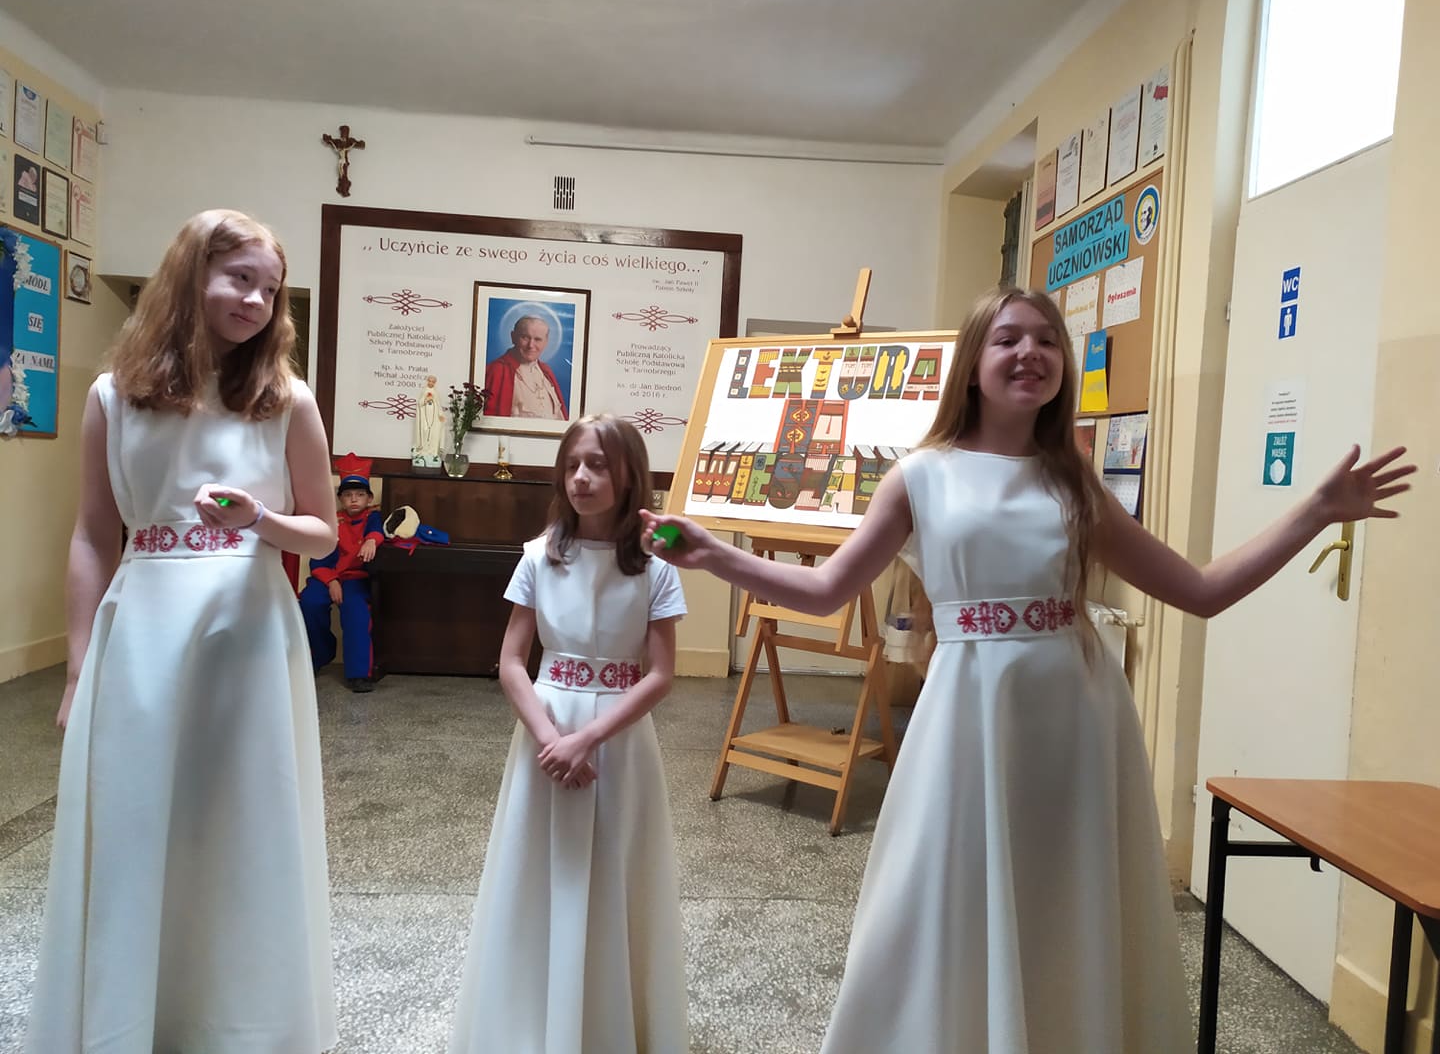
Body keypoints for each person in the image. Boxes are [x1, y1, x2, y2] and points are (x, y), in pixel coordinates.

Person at [642, 286, 1414, 1054]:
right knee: (946, 889)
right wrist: (715, 555)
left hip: (1076, 716)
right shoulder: (921, 475)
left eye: (1046, 340)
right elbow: (826, 589)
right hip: (968, 714)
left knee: (1063, 894)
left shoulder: (1073, 481)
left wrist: (1314, 512)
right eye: (1008, 338)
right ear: (973, 361)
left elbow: (1200, 590)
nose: (1030, 354)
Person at [25, 210, 340, 1054]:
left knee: (241, 824)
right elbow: (95, 535)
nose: (257, 302)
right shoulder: (112, 397)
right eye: (240, 279)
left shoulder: (286, 401)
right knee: (135, 824)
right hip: (142, 634)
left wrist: (260, 519)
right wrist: (77, 671)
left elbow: (324, 533)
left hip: (247, 637)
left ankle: (241, 1026)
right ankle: (135, 1021)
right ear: (188, 275)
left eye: (270, 290)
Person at [449, 413, 688, 1054]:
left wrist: (588, 740)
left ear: (630, 476)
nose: (581, 477)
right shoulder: (539, 556)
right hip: (546, 732)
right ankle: (531, 1021)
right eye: (573, 464)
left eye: (598, 465)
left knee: (615, 869)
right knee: (542, 870)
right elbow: (511, 661)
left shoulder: (656, 567)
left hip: (619, 740)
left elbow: (661, 674)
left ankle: (606, 1024)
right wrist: (551, 737)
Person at [298, 452, 385, 692]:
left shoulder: (373, 517)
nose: (354, 499)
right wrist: (331, 581)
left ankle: (359, 673)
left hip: (356, 579)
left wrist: (372, 540)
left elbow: (378, 530)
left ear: (369, 498)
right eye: (348, 495)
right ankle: (319, 654)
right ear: (340, 499)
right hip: (328, 576)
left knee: (356, 611)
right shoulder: (333, 521)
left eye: (360, 494)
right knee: (309, 602)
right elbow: (319, 558)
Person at [483, 314, 568, 419]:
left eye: (538, 339)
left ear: (546, 342)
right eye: (525, 337)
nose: (531, 345)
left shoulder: (546, 372)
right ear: (513, 337)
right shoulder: (497, 371)